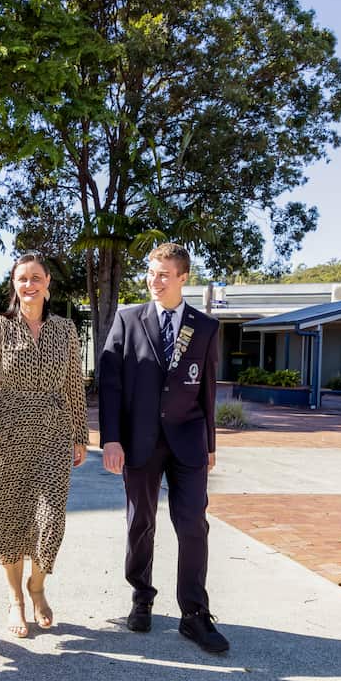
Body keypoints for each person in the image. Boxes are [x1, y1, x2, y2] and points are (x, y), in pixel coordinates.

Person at [98, 242, 228, 653]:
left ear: (183, 278)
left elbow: (207, 390)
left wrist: (209, 444)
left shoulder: (205, 327)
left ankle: (194, 613)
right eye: (151, 272)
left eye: (164, 274)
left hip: (188, 441)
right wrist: (111, 439)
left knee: (192, 525)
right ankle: (141, 598)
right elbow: (111, 384)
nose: (155, 281)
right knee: (141, 522)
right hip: (139, 441)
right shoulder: (127, 320)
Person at [0, 252, 88, 638]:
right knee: (10, 518)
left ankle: (38, 585)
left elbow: (72, 386)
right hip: (7, 432)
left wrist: (80, 434)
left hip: (52, 431)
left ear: (48, 283)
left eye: (36, 277)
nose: (29, 285)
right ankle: (16, 598)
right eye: (22, 278)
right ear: (14, 284)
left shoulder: (66, 330)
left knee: (50, 518)